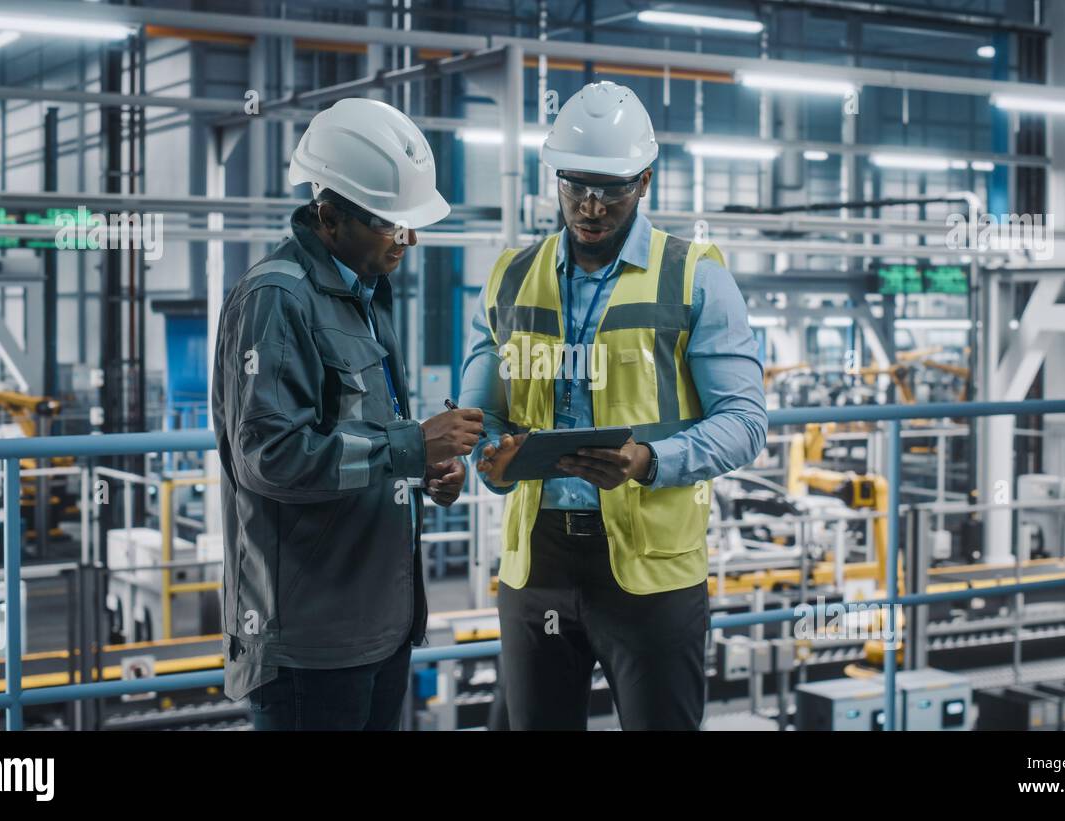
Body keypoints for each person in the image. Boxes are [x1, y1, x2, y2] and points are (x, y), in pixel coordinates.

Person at [459, 80, 769, 730]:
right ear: (557, 178)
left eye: (614, 188)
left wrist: (649, 459)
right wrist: (486, 452)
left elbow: (744, 423)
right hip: (536, 562)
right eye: (576, 185)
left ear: (646, 180)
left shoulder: (695, 277)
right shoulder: (511, 276)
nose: (592, 206)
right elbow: (479, 411)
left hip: (651, 572)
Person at [213, 97, 484, 730]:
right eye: (392, 223)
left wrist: (423, 471)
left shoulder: (364, 296)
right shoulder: (277, 299)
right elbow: (271, 459)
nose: (408, 239)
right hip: (314, 641)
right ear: (329, 216)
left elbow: (360, 439)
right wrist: (411, 447)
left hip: (380, 624)